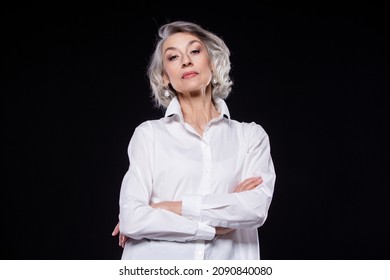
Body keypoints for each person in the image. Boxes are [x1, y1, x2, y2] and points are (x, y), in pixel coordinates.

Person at [112, 20, 276, 260]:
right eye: (173, 57)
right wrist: (218, 225)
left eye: (195, 51)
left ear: (212, 62)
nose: (186, 60)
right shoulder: (149, 135)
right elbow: (132, 219)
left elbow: (253, 209)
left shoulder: (250, 136)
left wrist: (167, 208)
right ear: (165, 77)